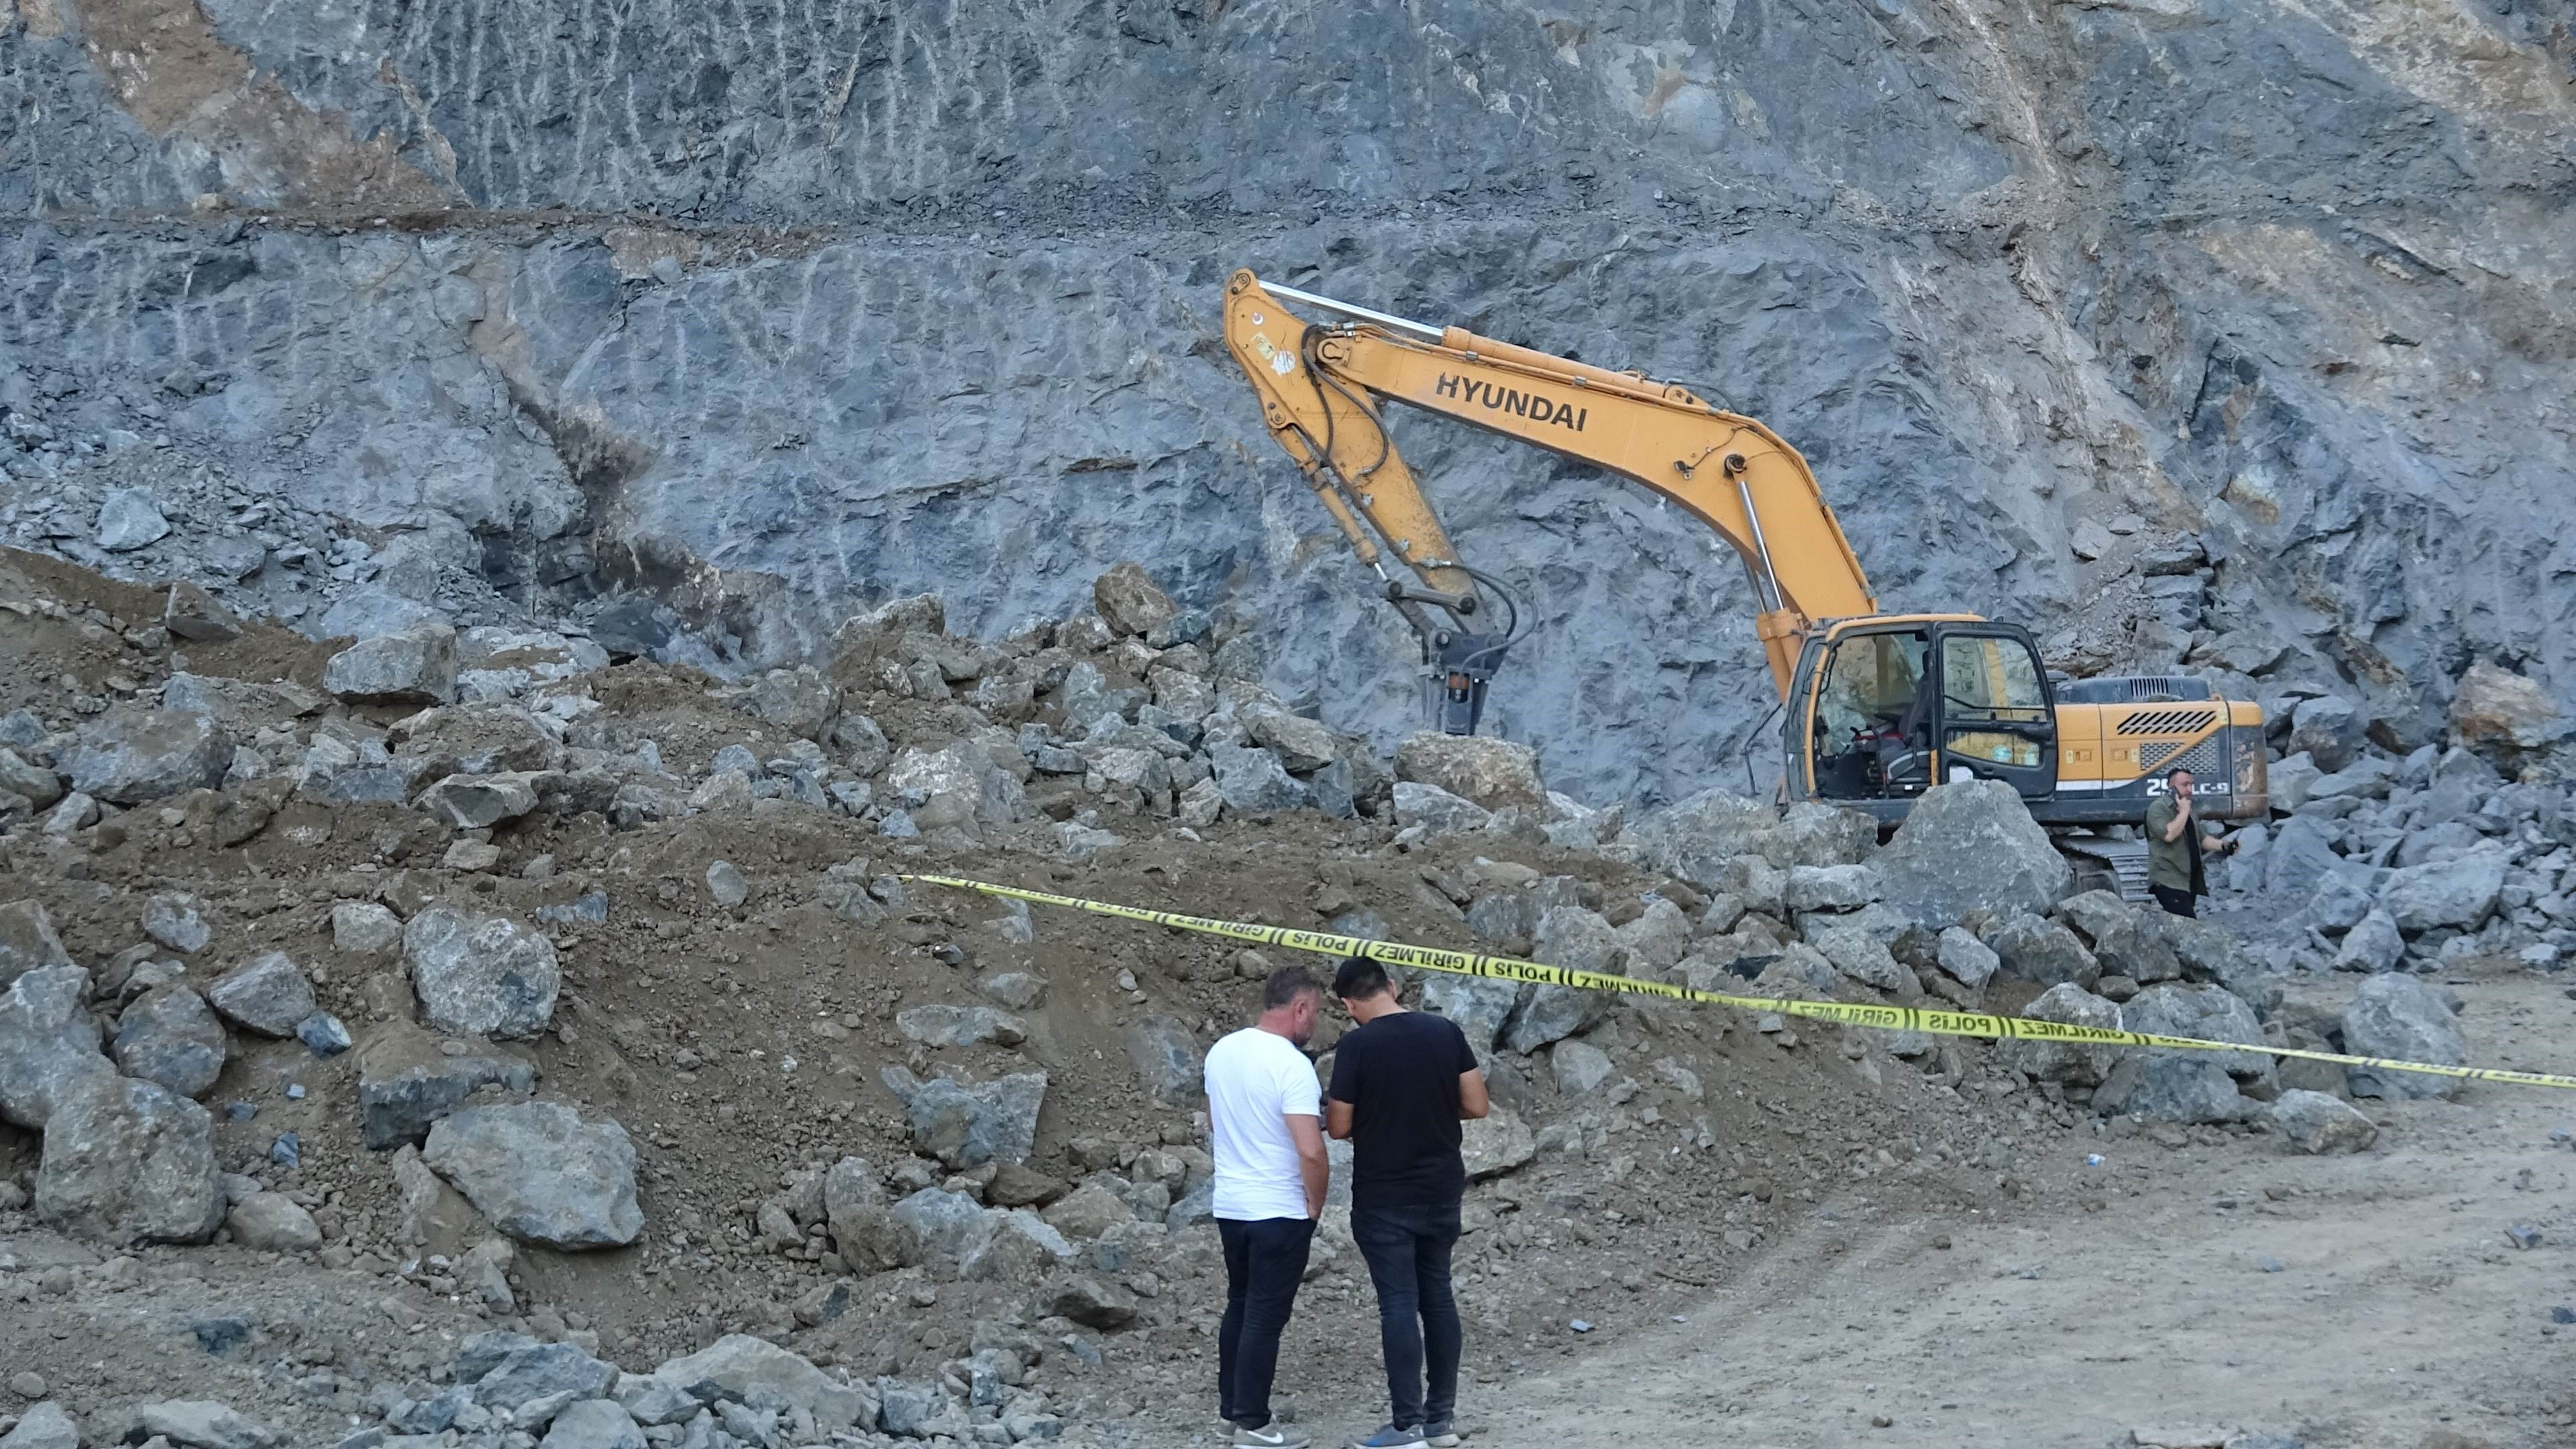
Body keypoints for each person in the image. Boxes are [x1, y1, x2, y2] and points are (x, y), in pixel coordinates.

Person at [1324, 956, 1489, 1449]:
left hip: (1384, 1197)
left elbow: (1338, 1126)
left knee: (1398, 1303)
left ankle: (1406, 1426)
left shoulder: (1355, 1046)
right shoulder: (1445, 1031)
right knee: (1438, 1296)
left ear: (1348, 1003)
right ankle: (1440, 1422)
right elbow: (1478, 1105)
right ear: (1392, 986)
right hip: (1441, 1191)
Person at [1205, 967, 1332, 1449]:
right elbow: (1311, 1150)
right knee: (1264, 1316)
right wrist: (1315, 1204)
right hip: (1278, 1206)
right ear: (1299, 1008)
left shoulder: (1223, 1051)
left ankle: (1230, 1415)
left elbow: (1218, 1123)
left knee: (1239, 1305)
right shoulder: (1291, 1065)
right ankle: (1254, 1424)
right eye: (1315, 1013)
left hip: (1231, 1204)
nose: (1314, 1024)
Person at [2145, 765, 2238, 917]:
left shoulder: (2187, 809)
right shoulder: (2159, 808)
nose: (2190, 789)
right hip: (2168, 881)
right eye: (2184, 785)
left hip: (2187, 882)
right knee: (2187, 926)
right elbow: (2169, 835)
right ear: (2171, 787)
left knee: (2181, 929)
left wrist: (2224, 846)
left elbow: (2202, 839)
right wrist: (2184, 811)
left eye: (2191, 785)